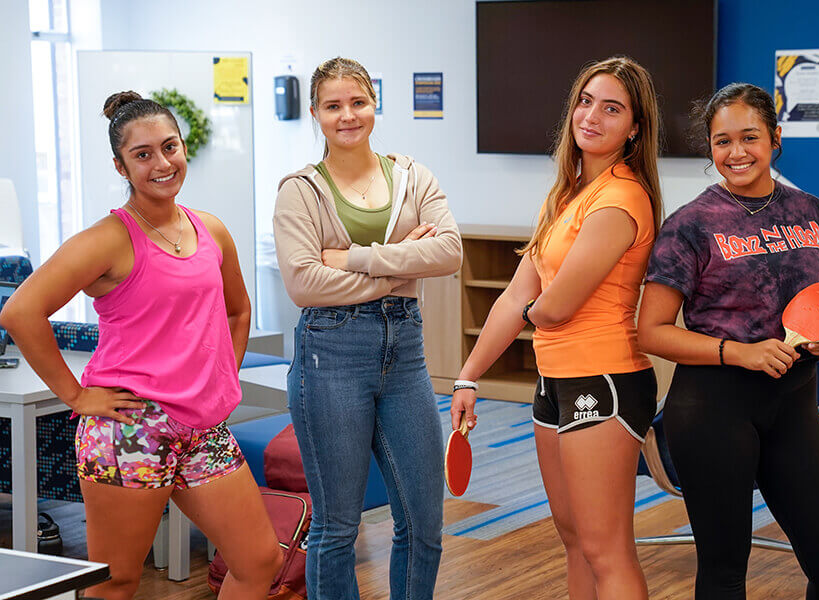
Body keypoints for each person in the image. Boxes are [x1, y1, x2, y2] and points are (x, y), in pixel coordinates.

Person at [0, 92, 282, 600]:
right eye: (143, 154)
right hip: (129, 429)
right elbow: (20, 312)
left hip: (202, 428)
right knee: (116, 582)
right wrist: (77, 396)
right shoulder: (107, 239)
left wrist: (218, 376)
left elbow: (238, 312)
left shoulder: (210, 229)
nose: (161, 163)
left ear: (183, 148)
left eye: (169, 147)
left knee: (260, 560)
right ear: (121, 165)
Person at [637, 83, 819, 599]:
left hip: (793, 404)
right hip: (713, 407)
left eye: (749, 137)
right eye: (721, 142)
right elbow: (652, 331)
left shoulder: (811, 211)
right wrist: (741, 353)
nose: (736, 153)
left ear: (775, 138)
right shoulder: (689, 225)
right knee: (724, 572)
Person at [450, 56, 663, 600]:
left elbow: (556, 306)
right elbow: (519, 294)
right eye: (585, 101)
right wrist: (468, 377)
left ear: (635, 128)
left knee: (606, 547)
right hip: (554, 380)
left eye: (612, 108)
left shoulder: (621, 198)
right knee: (572, 539)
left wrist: (532, 309)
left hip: (605, 381)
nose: (591, 116)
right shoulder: (565, 194)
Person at [273, 57, 462, 600]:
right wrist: (404, 264)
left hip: (405, 351)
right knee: (337, 528)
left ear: (374, 105)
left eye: (358, 102)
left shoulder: (412, 175)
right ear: (316, 114)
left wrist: (354, 258)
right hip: (329, 354)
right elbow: (306, 285)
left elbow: (449, 252)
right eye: (333, 106)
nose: (347, 115)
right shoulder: (300, 191)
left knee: (424, 521)